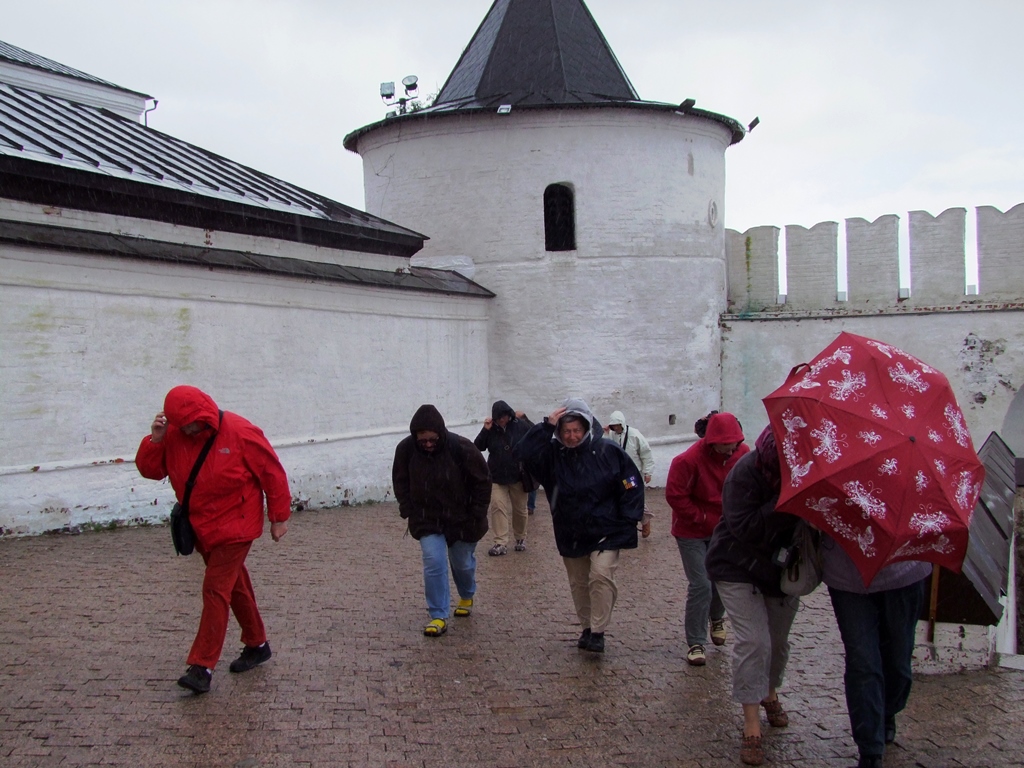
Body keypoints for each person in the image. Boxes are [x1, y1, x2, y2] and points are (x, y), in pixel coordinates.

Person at [135, 385, 291, 695]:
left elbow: (271, 471)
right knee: (234, 585)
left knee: (215, 588)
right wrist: (154, 439)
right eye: (184, 424)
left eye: (193, 422)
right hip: (202, 526)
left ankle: (202, 667)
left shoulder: (239, 430)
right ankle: (257, 643)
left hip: (237, 524)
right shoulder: (174, 435)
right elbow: (151, 471)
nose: (190, 429)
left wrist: (279, 516)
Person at [515, 398, 645, 654]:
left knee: (600, 576)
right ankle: (586, 626)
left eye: (577, 430)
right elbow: (521, 454)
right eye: (566, 431)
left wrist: (630, 515)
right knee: (579, 583)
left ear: (586, 428)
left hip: (607, 531)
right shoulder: (552, 456)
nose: (572, 436)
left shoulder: (608, 452)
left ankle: (598, 631)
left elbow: (630, 480)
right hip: (570, 531)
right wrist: (544, 426)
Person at [706, 426, 800, 766]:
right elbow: (744, 527)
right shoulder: (744, 473)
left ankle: (770, 691)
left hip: (782, 570)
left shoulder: (811, 474)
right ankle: (750, 723)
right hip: (736, 564)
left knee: (777, 642)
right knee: (754, 642)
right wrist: (786, 501)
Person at [822, 541, 930, 768]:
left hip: (904, 570)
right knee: (862, 661)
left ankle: (887, 709)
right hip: (846, 575)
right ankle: (869, 747)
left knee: (898, 661)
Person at [392, 404, 491, 637]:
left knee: (462, 564)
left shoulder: (461, 448)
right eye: (422, 440)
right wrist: (407, 507)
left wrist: (476, 512)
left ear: (441, 433)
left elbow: (482, 481)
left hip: (463, 518)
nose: (427, 444)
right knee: (433, 562)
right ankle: (438, 615)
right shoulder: (406, 450)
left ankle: (467, 594)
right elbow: (400, 479)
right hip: (427, 518)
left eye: (432, 439)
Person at [666, 411, 748, 666]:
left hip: (724, 529)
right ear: (713, 441)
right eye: (726, 444)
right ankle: (696, 642)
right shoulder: (688, 461)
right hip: (691, 529)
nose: (731, 448)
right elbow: (675, 495)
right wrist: (700, 517)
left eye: (734, 443)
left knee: (722, 579)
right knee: (701, 583)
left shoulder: (742, 454)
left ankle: (716, 617)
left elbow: (747, 487)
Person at [474, 400, 534, 555]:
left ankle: (520, 537)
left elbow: (534, 437)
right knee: (497, 507)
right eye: (499, 417)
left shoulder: (520, 425)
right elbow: (478, 446)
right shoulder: (491, 429)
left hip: (517, 476)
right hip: (496, 476)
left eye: (505, 416)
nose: (502, 420)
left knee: (520, 509)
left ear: (509, 414)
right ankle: (500, 542)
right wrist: (485, 430)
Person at [604, 410, 655, 537]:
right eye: (613, 425)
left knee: (633, 497)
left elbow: (645, 453)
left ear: (622, 423)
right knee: (620, 499)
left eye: (617, 425)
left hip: (632, 475)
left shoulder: (634, 435)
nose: (615, 427)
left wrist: (648, 472)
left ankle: (645, 519)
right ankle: (625, 525)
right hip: (618, 474)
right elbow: (605, 447)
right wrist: (605, 433)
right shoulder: (611, 434)